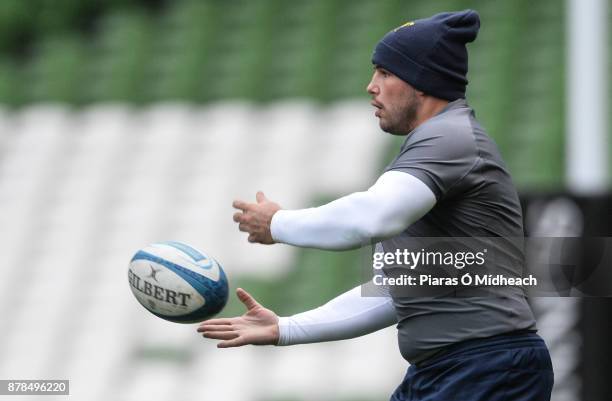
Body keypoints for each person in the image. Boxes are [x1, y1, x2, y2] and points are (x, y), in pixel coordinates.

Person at [197, 10, 554, 401]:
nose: (371, 86)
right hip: (448, 369)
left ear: (422, 82)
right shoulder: (435, 146)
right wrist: (287, 328)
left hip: (486, 368)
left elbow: (372, 218)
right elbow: (393, 291)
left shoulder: (449, 139)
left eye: (385, 73)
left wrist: (279, 224)